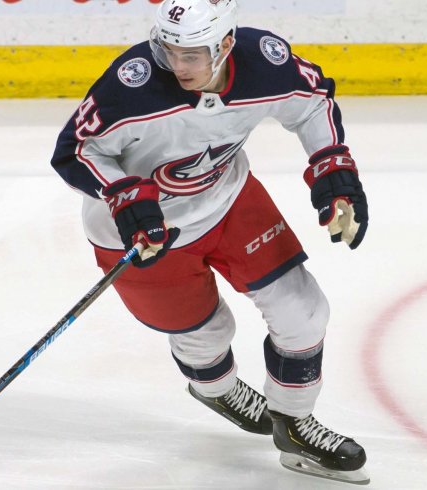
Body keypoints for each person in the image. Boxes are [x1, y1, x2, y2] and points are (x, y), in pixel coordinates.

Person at [50, 0, 369, 484]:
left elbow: (312, 101)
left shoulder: (264, 62)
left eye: (192, 54)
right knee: (207, 333)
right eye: (169, 49)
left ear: (224, 45)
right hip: (141, 231)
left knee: (304, 310)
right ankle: (214, 389)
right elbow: (73, 151)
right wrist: (123, 195)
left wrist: (333, 169)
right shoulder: (132, 84)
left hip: (227, 199)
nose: (178, 66)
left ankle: (294, 425)